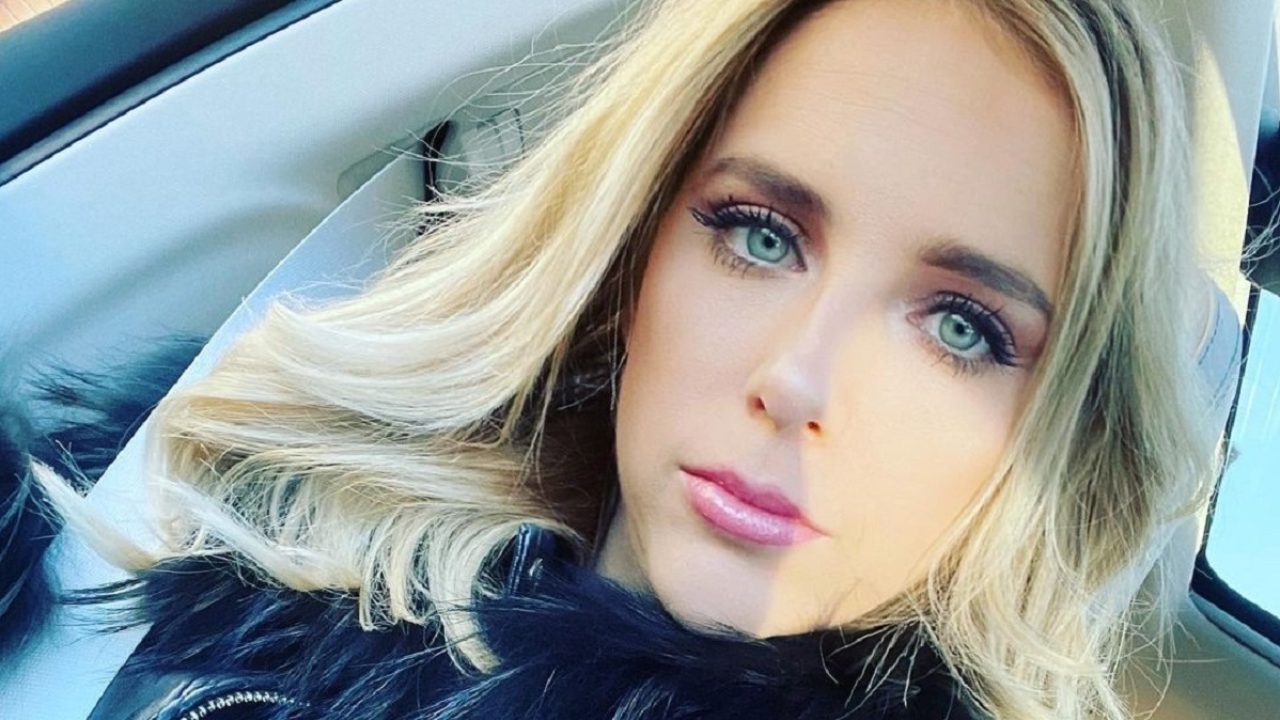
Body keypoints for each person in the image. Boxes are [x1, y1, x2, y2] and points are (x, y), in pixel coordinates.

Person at [0, 0, 1224, 717]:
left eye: (961, 327)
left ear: (1051, 434)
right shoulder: (213, 500)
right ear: (634, 246)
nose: (797, 380)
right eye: (759, 234)